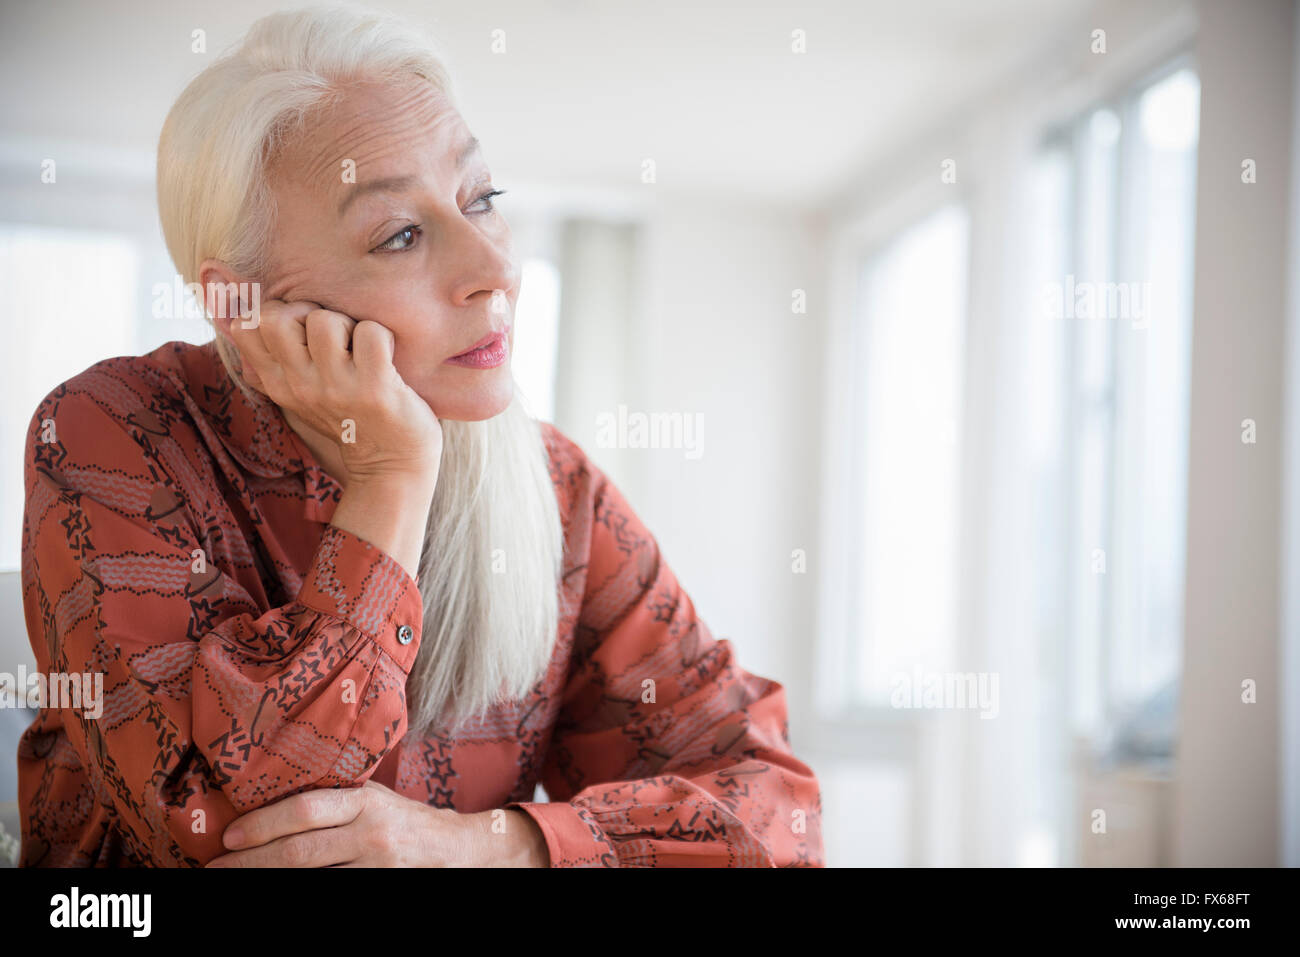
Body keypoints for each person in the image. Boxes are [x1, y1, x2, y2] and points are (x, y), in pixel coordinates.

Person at [17, 4, 824, 868]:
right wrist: (391, 477)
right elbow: (234, 828)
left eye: (483, 199)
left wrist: (493, 846)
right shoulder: (109, 431)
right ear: (241, 304)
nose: (494, 270)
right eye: (400, 234)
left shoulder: (560, 492)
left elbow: (774, 815)